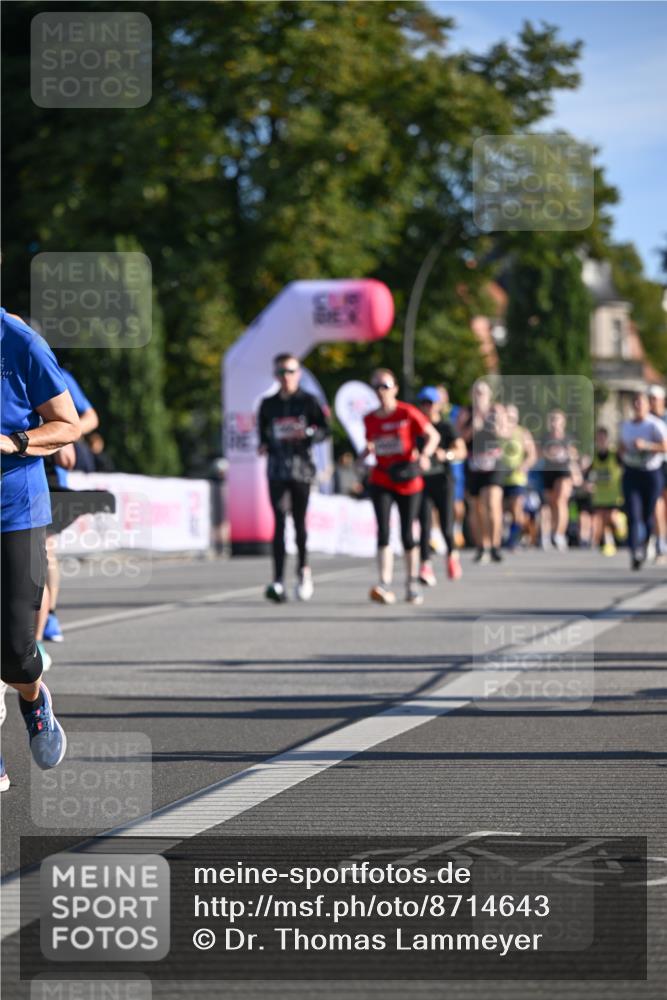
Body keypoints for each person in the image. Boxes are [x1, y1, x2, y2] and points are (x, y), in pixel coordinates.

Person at [1, 308, 80, 789]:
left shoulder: (22, 343)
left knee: (13, 652)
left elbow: (67, 424)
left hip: (16, 512)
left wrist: (14, 441)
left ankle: (33, 697)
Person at [362, 369, 439, 605]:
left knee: (407, 533)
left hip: (408, 479)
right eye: (376, 387)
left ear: (395, 388)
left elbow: (432, 435)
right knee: (383, 531)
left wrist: (425, 455)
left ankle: (412, 582)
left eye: (385, 386)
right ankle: (384, 583)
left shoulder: (407, 412)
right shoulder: (370, 418)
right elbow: (370, 444)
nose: (380, 391)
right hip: (382, 478)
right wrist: (364, 454)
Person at [257, 353, 330, 602]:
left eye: (290, 372)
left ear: (298, 373)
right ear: (275, 376)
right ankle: (278, 580)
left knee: (299, 523)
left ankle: (303, 571)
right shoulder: (268, 404)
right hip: (277, 469)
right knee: (278, 520)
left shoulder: (308, 401)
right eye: (281, 373)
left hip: (301, 469)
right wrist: (264, 444)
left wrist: (309, 433)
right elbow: (263, 434)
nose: (285, 377)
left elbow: (325, 430)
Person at [41, 368, 99, 643]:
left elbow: (89, 417)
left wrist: (64, 433)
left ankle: (47, 614)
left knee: (43, 547)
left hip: (50, 477)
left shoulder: (52, 370)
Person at [415, 386, 466, 585]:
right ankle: (425, 565)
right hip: (422, 481)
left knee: (446, 524)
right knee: (425, 524)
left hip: (443, 480)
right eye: (423, 403)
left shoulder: (446, 427)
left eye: (430, 403)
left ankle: (452, 555)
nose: (426, 407)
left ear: (437, 405)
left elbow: (460, 451)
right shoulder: (416, 427)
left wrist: (446, 455)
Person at [618, 391, 667, 570]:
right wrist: (626, 454)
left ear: (648, 405)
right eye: (636, 403)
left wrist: (646, 446)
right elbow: (621, 447)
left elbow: (664, 446)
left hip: (651, 473)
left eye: (642, 402)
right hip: (632, 472)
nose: (638, 406)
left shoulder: (655, 425)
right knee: (632, 512)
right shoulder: (626, 426)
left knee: (648, 514)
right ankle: (634, 550)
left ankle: (648, 542)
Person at [464, 382, 506, 564]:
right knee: (476, 507)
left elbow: (506, 433)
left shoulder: (496, 410)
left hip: (493, 461)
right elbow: (459, 437)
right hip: (474, 462)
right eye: (476, 392)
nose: (479, 395)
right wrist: (473, 427)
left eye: (483, 392)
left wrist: (494, 426)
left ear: (489, 394)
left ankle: (495, 545)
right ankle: (482, 545)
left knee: (492, 502)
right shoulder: (467, 412)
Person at [540, 409, 578, 552]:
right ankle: (547, 534)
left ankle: (559, 534)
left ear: (563, 422)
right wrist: (548, 454)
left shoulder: (567, 438)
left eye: (558, 420)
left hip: (564, 471)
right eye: (552, 420)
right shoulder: (545, 438)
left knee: (561, 500)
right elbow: (540, 453)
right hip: (549, 471)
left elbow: (574, 455)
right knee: (550, 504)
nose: (555, 423)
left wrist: (575, 473)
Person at [502, 403, 537, 550]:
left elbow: (532, 455)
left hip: (517, 478)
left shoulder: (522, 433)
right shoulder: (499, 432)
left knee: (516, 509)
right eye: (507, 416)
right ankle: (506, 535)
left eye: (512, 417)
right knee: (503, 511)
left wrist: (523, 466)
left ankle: (513, 539)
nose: (510, 419)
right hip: (500, 477)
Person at [589, 426, 623, 556]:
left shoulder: (614, 454)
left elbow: (624, 468)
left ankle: (621, 526)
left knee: (612, 517)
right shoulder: (595, 456)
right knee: (602, 519)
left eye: (603, 438)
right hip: (600, 494)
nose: (601, 441)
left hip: (614, 493)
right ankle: (609, 544)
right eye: (598, 438)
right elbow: (589, 471)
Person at [648, 385, 667, 559]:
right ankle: (661, 541)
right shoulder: (646, 420)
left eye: (654, 399)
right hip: (654, 467)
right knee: (656, 504)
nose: (652, 402)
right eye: (650, 399)